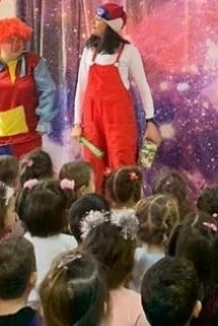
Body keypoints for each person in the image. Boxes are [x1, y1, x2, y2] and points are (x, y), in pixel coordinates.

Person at [70, 2, 161, 190]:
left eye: (99, 20)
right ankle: (96, 207)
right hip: (93, 125)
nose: (93, 22)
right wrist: (77, 123)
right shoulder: (89, 51)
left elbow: (143, 87)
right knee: (94, 169)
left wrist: (150, 120)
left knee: (123, 167)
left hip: (120, 126)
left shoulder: (129, 52)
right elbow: (81, 88)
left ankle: (125, 205)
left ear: (111, 26)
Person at [0, 18, 57, 158]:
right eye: (10, 40)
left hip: (28, 137)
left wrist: (44, 120)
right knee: (1, 170)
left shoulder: (33, 62)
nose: (16, 45)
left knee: (28, 170)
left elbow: (48, 91)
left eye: (19, 40)